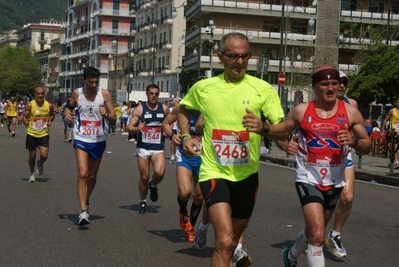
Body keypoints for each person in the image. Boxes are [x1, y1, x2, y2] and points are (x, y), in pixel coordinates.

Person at [178, 32, 287, 267]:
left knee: (231, 244)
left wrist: (263, 128)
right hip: (214, 172)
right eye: (234, 56)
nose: (240, 62)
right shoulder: (204, 88)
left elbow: (282, 129)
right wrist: (186, 136)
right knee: (225, 242)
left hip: (247, 175)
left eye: (245, 56)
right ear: (220, 57)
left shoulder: (262, 89)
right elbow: (183, 109)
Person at [276, 65, 371, 267]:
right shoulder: (301, 111)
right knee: (318, 235)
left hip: (335, 181)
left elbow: (367, 145)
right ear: (315, 87)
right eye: (325, 84)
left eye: (334, 84)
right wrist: (285, 144)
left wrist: (353, 142)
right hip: (307, 178)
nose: (330, 88)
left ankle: (290, 256)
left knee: (313, 231)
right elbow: (280, 131)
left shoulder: (351, 112)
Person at [64, 67, 116, 226]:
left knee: (92, 176)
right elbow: (70, 107)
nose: (93, 84)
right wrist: (67, 113)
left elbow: (114, 117)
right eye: (90, 81)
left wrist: (105, 114)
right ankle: (82, 211)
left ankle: (86, 199)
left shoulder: (104, 94)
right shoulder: (77, 93)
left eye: (96, 81)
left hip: (99, 139)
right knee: (83, 172)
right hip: (81, 138)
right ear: (84, 80)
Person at [162, 105, 203, 242]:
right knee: (185, 192)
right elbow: (166, 123)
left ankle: (190, 226)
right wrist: (172, 135)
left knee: (199, 196)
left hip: (205, 158)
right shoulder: (182, 108)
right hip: (185, 156)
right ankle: (183, 212)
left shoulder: (212, 106)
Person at [127, 84, 169, 214]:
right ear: (147, 94)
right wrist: (136, 129)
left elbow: (169, 123)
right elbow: (129, 127)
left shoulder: (165, 109)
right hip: (143, 148)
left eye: (156, 94)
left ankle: (153, 185)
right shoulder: (139, 109)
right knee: (144, 176)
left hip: (157, 147)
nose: (154, 96)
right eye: (151, 93)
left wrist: (167, 132)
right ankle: (143, 200)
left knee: (160, 173)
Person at [22, 87, 55, 182]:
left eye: (42, 94)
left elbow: (52, 115)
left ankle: (40, 163)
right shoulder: (30, 105)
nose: (40, 95)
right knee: (32, 155)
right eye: (38, 94)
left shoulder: (48, 105)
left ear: (44, 94)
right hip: (32, 133)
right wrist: (25, 122)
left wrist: (50, 120)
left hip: (44, 133)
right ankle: (32, 173)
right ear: (35, 94)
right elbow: (23, 117)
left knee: (44, 155)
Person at [380, 97, 399, 169]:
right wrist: (382, 131)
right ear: (396, 103)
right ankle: (396, 161)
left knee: (396, 147)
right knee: (396, 146)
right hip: (394, 131)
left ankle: (392, 161)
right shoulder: (392, 111)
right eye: (398, 102)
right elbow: (385, 120)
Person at [168, 98, 180, 162]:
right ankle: (172, 154)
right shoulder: (170, 109)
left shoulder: (181, 109)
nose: (177, 102)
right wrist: (169, 128)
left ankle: (177, 154)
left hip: (179, 128)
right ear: (173, 102)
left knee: (178, 142)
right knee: (173, 142)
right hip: (173, 128)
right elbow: (168, 121)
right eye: (175, 101)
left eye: (178, 101)